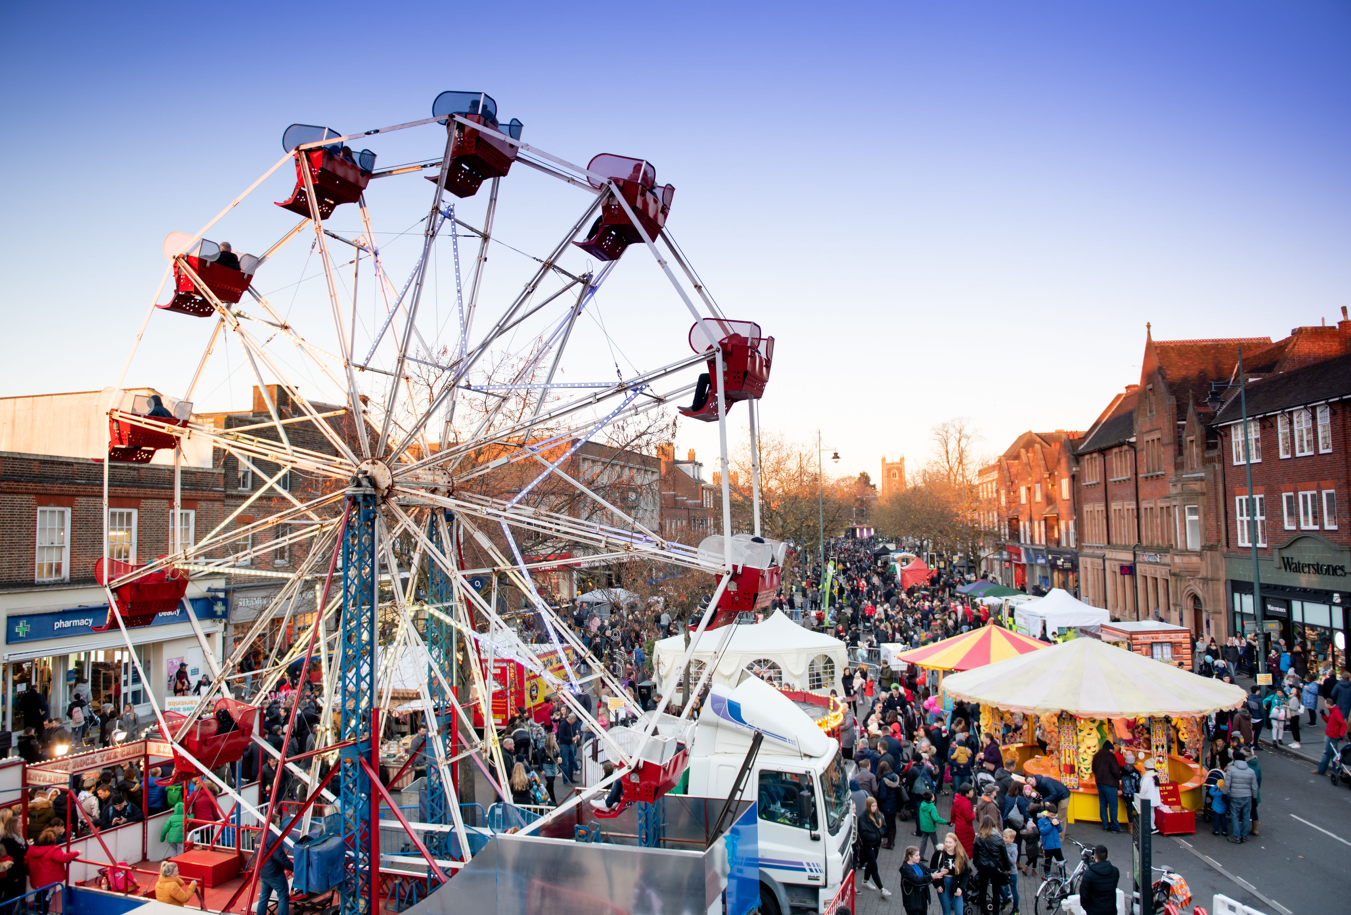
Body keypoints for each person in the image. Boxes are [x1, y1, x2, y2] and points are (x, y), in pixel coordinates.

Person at [26, 829, 78, 913]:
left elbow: (26, 861)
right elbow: (64, 858)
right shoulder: (53, 850)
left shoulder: (31, 850)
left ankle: (37, 909)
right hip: (49, 880)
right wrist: (76, 852)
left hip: (37, 878)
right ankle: (44, 912)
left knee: (39, 894)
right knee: (47, 897)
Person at [972, 816, 1006, 915]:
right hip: (995, 867)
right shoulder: (999, 837)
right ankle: (995, 912)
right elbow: (1004, 854)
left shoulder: (978, 837)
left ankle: (983, 911)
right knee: (996, 890)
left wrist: (976, 864)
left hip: (983, 867)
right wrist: (1006, 867)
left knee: (982, 888)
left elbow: (975, 854)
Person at [256, 824, 293, 915]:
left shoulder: (258, 836)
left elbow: (256, 854)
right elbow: (280, 857)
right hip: (274, 873)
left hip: (263, 873)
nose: (279, 824)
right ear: (273, 824)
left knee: (263, 897)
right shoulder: (274, 837)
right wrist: (293, 867)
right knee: (283, 895)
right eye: (277, 822)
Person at [929, 832, 969, 915]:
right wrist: (937, 885)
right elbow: (932, 870)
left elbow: (966, 873)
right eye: (946, 842)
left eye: (950, 842)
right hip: (943, 884)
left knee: (959, 912)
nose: (947, 844)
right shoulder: (939, 853)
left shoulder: (961, 856)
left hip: (956, 884)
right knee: (946, 911)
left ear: (955, 844)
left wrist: (961, 888)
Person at [859, 796, 891, 897]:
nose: (875, 808)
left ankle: (865, 881)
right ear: (868, 806)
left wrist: (878, 835)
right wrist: (875, 836)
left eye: (875, 806)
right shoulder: (863, 818)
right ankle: (882, 889)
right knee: (874, 866)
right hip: (868, 845)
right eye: (872, 806)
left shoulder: (878, 814)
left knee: (871, 863)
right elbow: (863, 833)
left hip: (876, 844)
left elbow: (884, 826)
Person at [1224, 749, 1258, 843]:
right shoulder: (1251, 771)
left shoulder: (1231, 769)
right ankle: (1245, 836)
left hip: (1235, 796)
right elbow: (1254, 787)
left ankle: (1236, 837)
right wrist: (1254, 798)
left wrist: (1224, 793)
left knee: (1235, 816)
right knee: (1246, 816)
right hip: (1248, 797)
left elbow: (1227, 784)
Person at [1077, 844, 1120, 915]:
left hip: (1094, 911)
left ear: (1095, 856)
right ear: (1107, 856)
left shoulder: (1089, 874)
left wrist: (1087, 908)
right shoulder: (1115, 871)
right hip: (1110, 910)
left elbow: (1084, 894)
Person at [1091, 740, 1122, 832]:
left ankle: (1105, 825)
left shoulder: (1096, 755)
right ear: (1110, 749)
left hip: (1099, 782)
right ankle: (1115, 827)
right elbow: (1115, 770)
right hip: (1110, 784)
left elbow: (1093, 769)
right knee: (1113, 806)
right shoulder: (1110, 756)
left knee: (1103, 804)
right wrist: (1118, 777)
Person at [0, 808, 27, 910]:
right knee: (10, 898)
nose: (22, 825)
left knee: (15, 897)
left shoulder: (19, 838)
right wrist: (14, 876)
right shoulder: (7, 840)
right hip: (12, 874)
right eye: (20, 823)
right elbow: (10, 859)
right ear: (13, 826)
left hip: (19, 871)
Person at [899, 845, 933, 915]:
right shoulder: (906, 869)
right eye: (916, 855)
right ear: (910, 857)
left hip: (922, 895)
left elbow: (928, 871)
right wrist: (931, 877)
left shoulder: (918, 864)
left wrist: (940, 871)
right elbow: (916, 880)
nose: (919, 857)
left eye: (919, 855)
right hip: (913, 899)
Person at [1316, 703, 1347, 776]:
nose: (1325, 705)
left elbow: (1343, 724)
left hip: (1332, 736)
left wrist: (1341, 735)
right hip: (1331, 735)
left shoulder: (1335, 712)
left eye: (1325, 703)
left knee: (1326, 753)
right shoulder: (1332, 711)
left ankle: (1321, 770)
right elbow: (1329, 722)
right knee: (1334, 755)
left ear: (1328, 704)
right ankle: (1336, 771)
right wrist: (1323, 715)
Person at [917, 790, 948, 859]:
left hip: (924, 826)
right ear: (931, 798)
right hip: (931, 827)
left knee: (923, 841)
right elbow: (936, 819)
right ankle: (938, 857)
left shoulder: (922, 804)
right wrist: (946, 822)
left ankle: (921, 856)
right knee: (935, 843)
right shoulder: (932, 807)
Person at [1035, 806, 1064, 877]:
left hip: (1056, 844)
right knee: (1048, 861)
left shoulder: (1055, 818)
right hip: (1048, 845)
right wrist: (1051, 824)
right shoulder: (1041, 820)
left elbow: (1060, 830)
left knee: (1061, 861)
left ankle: (1063, 875)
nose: (1053, 816)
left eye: (1054, 815)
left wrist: (1058, 823)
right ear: (1047, 812)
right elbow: (1043, 831)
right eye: (1051, 815)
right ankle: (1046, 875)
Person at [1136, 759, 1162, 835]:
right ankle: (1152, 826)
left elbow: (1143, 789)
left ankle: (1153, 827)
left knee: (1147, 813)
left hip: (1147, 798)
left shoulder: (1147, 777)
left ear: (1146, 768)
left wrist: (1140, 796)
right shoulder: (1156, 775)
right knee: (1152, 812)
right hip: (1155, 798)